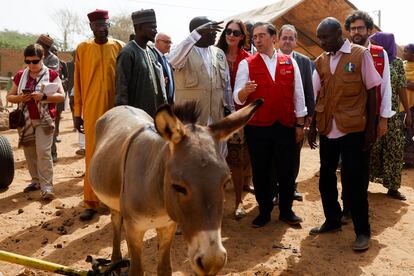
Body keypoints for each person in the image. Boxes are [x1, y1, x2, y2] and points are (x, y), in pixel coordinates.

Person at [308, 17, 382, 251]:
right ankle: (332, 219)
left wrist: (371, 127)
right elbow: (317, 94)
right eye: (319, 37)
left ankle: (362, 231)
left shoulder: (360, 55)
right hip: (328, 128)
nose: (321, 42)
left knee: (354, 182)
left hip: (353, 129)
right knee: (326, 178)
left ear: (339, 34)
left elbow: (372, 91)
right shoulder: (320, 61)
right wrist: (311, 125)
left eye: (326, 37)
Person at [234, 22, 307, 228]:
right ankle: (264, 211)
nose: (257, 40)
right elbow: (237, 98)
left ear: (274, 38)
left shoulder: (290, 63)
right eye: (254, 37)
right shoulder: (246, 64)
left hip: (284, 124)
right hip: (258, 127)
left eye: (261, 35)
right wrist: (244, 92)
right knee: (261, 170)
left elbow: (298, 95)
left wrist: (300, 124)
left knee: (286, 169)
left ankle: (286, 211)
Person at [342, 10, 395, 218]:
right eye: (353, 28)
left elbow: (385, 87)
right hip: (347, 118)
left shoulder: (380, 53)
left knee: (363, 165)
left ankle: (358, 206)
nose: (356, 32)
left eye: (360, 28)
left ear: (369, 30)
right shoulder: (343, 51)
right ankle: (346, 207)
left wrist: (382, 119)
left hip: (370, 120)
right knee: (346, 164)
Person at [74, 9, 124, 221]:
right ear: (91, 27)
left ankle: (118, 201)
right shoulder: (83, 49)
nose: (101, 28)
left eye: (104, 24)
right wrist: (78, 112)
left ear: (108, 24)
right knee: (92, 155)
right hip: (93, 109)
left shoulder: (119, 46)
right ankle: (91, 202)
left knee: (118, 154)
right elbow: (76, 82)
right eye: (97, 25)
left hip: (115, 109)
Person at [168, 16, 233, 156]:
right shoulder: (182, 51)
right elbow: (172, 61)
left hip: (216, 120)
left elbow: (226, 88)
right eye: (210, 30)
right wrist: (195, 35)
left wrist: (231, 112)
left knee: (217, 160)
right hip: (191, 122)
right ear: (197, 32)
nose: (215, 33)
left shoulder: (219, 53)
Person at [6, 44, 65, 199]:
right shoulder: (20, 75)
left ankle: (47, 187)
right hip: (25, 121)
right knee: (30, 151)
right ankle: (35, 181)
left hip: (44, 119)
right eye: (28, 61)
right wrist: (21, 98)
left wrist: (43, 97)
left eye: (35, 61)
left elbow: (61, 96)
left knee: (43, 152)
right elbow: (9, 96)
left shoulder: (52, 75)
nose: (31, 65)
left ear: (42, 58)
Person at [368, 32, 412, 200]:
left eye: (375, 42)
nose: (373, 46)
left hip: (392, 113)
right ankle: (364, 181)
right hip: (371, 112)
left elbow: (401, 88)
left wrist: (408, 113)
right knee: (371, 148)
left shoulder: (398, 63)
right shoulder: (368, 59)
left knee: (394, 149)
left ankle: (393, 187)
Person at [216, 19, 251, 219]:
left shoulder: (248, 59)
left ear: (242, 37)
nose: (231, 35)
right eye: (228, 31)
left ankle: (238, 202)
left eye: (236, 33)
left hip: (238, 115)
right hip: (215, 114)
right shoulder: (215, 54)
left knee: (237, 160)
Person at [277, 24, 315, 202]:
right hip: (274, 116)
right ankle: (274, 190)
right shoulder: (269, 58)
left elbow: (309, 89)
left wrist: (309, 116)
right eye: (284, 37)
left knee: (294, 153)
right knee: (274, 155)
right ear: (278, 39)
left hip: (297, 118)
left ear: (296, 41)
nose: (287, 41)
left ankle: (291, 187)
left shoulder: (304, 61)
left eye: (291, 38)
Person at [115, 9, 167, 116]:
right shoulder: (128, 53)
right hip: (136, 118)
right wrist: (124, 117)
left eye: (156, 27)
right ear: (139, 27)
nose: (155, 31)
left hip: (154, 115)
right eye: (152, 27)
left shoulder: (151, 52)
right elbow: (121, 90)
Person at [49, 44, 69, 162]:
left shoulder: (62, 64)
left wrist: (61, 81)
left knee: (56, 117)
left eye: (56, 51)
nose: (54, 52)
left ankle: (55, 136)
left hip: (59, 95)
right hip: (47, 97)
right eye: (52, 51)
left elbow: (67, 78)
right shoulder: (42, 64)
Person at [154, 32, 175, 105]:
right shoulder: (152, 57)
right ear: (157, 41)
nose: (169, 45)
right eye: (166, 42)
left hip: (168, 103)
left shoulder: (165, 58)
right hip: (158, 103)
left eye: (170, 43)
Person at [403, 44, 414, 165]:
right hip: (404, 105)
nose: (404, 52)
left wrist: (404, 83)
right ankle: (407, 160)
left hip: (413, 106)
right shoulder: (403, 65)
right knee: (406, 132)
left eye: (406, 51)